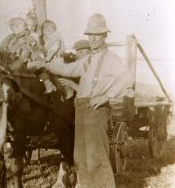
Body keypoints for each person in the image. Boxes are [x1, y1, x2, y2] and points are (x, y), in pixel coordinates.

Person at [28, 13, 133, 188]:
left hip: (96, 111)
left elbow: (127, 79)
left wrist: (107, 96)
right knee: (81, 159)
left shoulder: (111, 59)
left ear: (104, 36)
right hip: (81, 109)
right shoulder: (88, 60)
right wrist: (44, 65)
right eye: (90, 35)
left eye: (97, 35)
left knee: (97, 158)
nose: (93, 39)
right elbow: (67, 69)